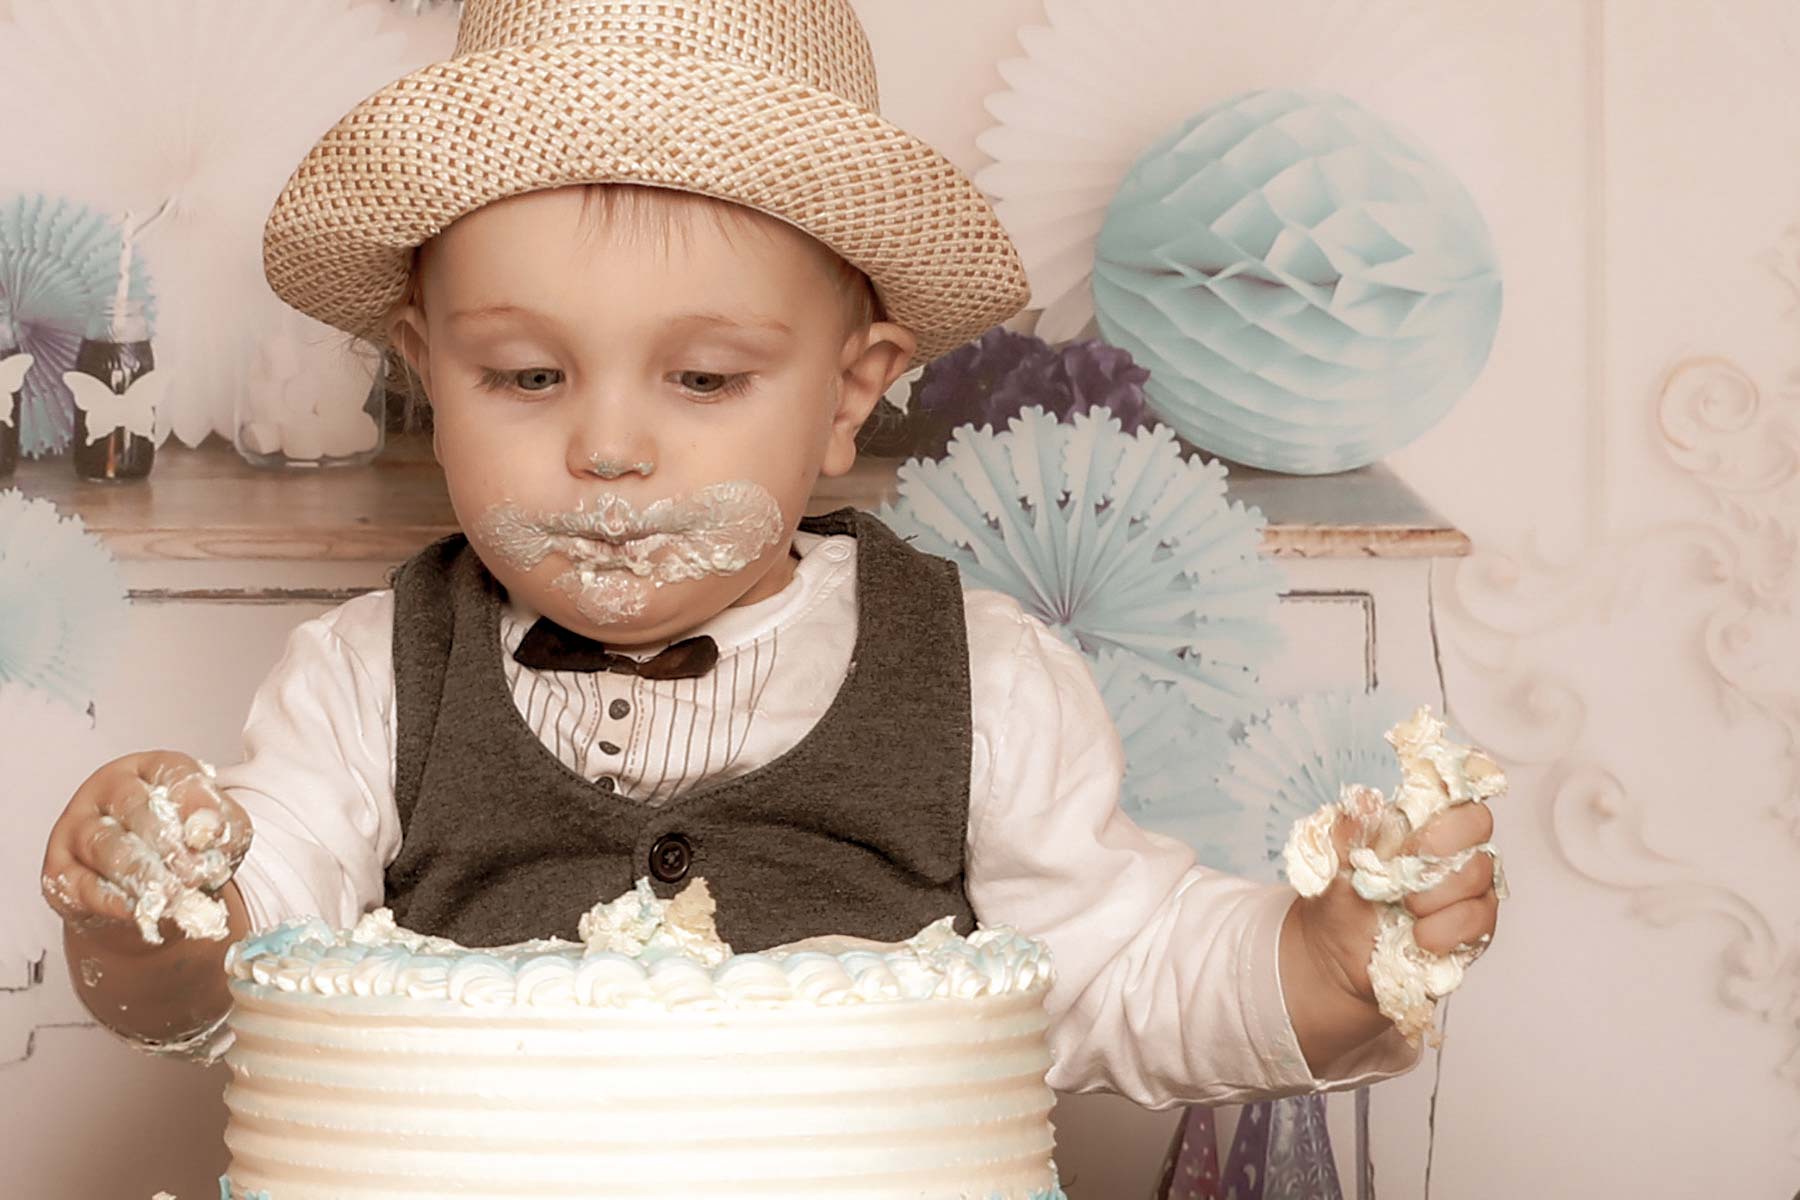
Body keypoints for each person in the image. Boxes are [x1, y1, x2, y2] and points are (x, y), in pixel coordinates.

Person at [38, 0, 1500, 1108]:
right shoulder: (363, 684)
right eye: (528, 378)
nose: (610, 449)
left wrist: (1316, 974)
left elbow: (1118, 971)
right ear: (424, 368)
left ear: (849, 393)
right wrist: (160, 917)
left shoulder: (987, 680)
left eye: (706, 381)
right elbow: (245, 966)